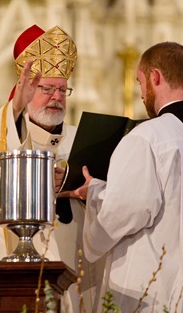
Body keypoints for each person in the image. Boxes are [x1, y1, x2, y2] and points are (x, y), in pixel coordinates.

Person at [0, 24, 104, 312]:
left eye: (63, 89)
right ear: (25, 90)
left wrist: (85, 190)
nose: (56, 96)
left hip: (79, 272)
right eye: (46, 89)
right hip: (21, 280)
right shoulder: (5, 133)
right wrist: (15, 108)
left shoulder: (84, 139)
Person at [65, 41, 183, 312]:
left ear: (155, 77)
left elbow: (127, 209)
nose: (141, 93)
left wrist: (93, 197)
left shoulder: (148, 136)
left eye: (140, 82)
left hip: (150, 292)